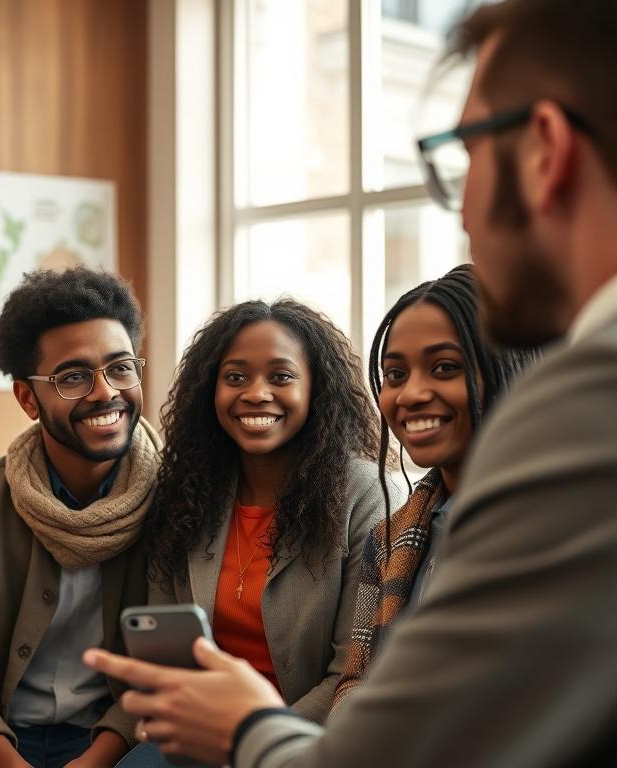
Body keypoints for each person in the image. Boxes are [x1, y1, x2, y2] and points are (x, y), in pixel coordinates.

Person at [83, 0, 617, 765]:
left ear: (545, 150)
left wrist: (247, 725)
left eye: (462, 155)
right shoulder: (408, 527)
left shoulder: (580, 410)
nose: (461, 210)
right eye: (394, 372)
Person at [0, 267, 161, 768]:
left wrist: (95, 760)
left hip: (118, 742)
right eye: (73, 377)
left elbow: (160, 666)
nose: (104, 392)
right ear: (28, 398)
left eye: (121, 368)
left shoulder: (173, 496)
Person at [143, 299, 401, 723]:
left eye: (281, 376)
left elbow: (353, 673)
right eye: (236, 377)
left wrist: (258, 742)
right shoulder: (188, 495)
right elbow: (167, 652)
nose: (256, 393)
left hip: (307, 740)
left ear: (316, 387)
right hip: (198, 728)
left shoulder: (366, 495)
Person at [334, 264, 536, 706]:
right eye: (396, 374)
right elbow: (355, 681)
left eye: (444, 368)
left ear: (508, 369)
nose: (410, 395)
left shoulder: (565, 525)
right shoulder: (386, 541)